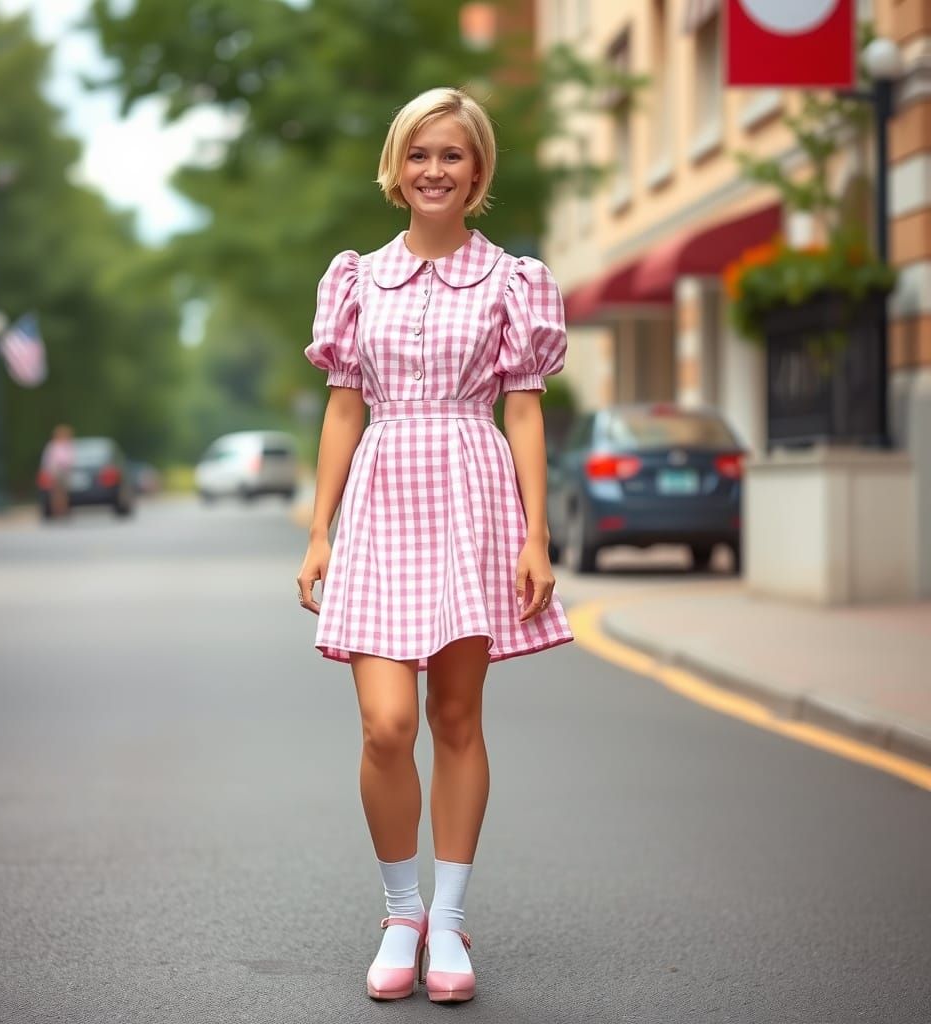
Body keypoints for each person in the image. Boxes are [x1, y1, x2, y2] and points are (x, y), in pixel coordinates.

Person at [296, 87, 573, 1004]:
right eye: (419, 154)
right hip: (381, 497)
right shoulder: (355, 278)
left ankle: (448, 923)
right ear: (396, 166)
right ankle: (401, 910)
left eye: (452, 155)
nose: (434, 170)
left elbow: (524, 410)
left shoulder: (511, 280)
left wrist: (536, 534)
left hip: (471, 493)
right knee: (387, 725)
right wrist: (319, 529)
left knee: (456, 721)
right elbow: (343, 405)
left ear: (478, 170)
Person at [41, 424, 74, 519]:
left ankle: (64, 510)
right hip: (55, 471)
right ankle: (57, 511)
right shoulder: (52, 446)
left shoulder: (68, 445)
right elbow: (48, 460)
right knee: (56, 492)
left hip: (65, 471)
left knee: (64, 492)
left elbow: (71, 458)